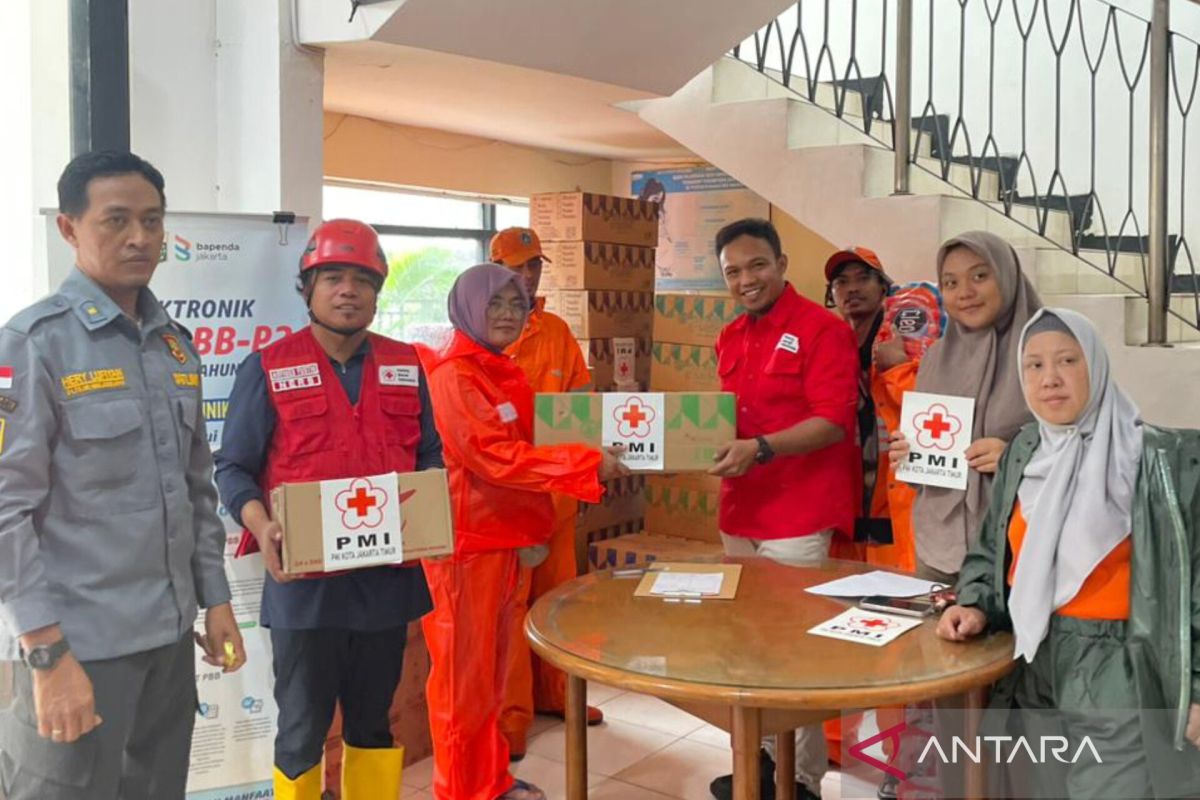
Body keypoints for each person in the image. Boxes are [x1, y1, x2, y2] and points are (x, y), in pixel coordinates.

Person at [0, 151, 244, 800]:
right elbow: (5, 511)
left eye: (153, 220)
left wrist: (216, 599)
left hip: (168, 642)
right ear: (69, 229)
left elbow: (197, 490)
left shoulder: (175, 347)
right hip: (79, 646)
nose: (139, 237)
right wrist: (46, 653)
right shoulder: (31, 344)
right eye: (116, 220)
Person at [215, 219, 442, 800]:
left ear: (377, 290)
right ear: (308, 288)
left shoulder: (405, 365)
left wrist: (428, 503)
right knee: (300, 730)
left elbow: (430, 457)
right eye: (333, 277)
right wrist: (260, 524)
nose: (349, 290)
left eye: (363, 279)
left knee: (374, 725)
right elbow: (233, 469)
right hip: (305, 588)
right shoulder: (265, 368)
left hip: (386, 583)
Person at [938, 308, 1200, 798]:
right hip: (1035, 659)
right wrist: (974, 603)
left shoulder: (1156, 460)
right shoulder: (1027, 451)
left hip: (1120, 670)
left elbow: (1196, 581)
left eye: (1067, 361)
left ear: (1096, 366)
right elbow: (995, 544)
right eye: (1033, 366)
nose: (1050, 379)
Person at [421, 264, 628, 800]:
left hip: (503, 542)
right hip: (465, 549)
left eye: (517, 305)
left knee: (490, 678)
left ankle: (489, 779)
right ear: (467, 307)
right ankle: (461, 790)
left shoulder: (498, 371)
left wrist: (609, 445)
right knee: (461, 686)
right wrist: (584, 466)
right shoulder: (456, 377)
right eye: (496, 304)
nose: (509, 315)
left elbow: (539, 437)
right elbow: (494, 458)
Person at [708, 219, 860, 800]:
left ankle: (802, 780)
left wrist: (763, 448)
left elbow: (833, 421)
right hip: (740, 512)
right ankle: (765, 765)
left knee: (793, 652)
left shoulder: (822, 329)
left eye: (756, 266)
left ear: (781, 263)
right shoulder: (729, 337)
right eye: (733, 272)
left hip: (798, 513)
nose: (747, 280)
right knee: (749, 647)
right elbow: (723, 419)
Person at [489, 227, 605, 761]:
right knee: (511, 611)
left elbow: (581, 402)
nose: (527, 275)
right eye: (517, 266)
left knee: (560, 600)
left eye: (534, 265)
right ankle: (512, 717)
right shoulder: (485, 333)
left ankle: (561, 695)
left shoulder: (556, 330)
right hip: (510, 499)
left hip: (558, 494)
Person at [888, 231, 1042, 584]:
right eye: (951, 282)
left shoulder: (1046, 350)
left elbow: (1085, 441)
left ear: (1007, 275)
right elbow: (928, 460)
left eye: (980, 276)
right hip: (938, 547)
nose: (965, 293)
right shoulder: (936, 359)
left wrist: (1015, 455)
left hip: (1019, 548)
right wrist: (908, 453)